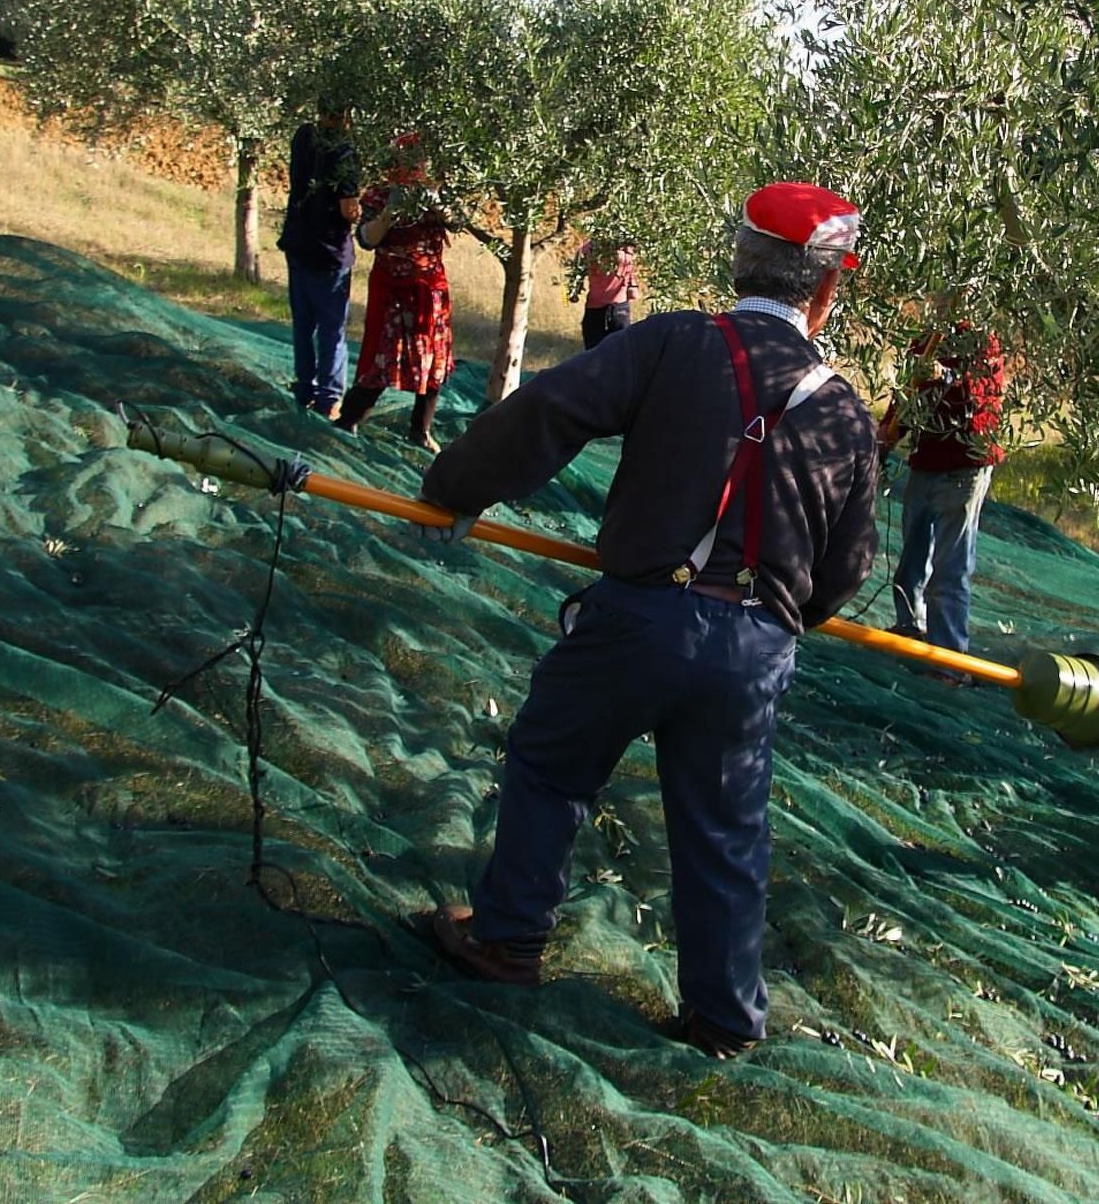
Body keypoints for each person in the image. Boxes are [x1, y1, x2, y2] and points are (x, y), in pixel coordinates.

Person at [413, 182, 879, 1060]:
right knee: (726, 828)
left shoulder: (672, 342)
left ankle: (508, 937)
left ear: (738, 264)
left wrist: (452, 489)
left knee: (552, 766)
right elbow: (848, 568)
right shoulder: (847, 413)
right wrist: (781, 619)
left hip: (637, 620)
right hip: (753, 649)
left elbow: (549, 413)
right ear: (826, 291)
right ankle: (723, 1020)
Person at [878, 316, 1006, 658]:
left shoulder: (981, 341)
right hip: (926, 461)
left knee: (950, 567)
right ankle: (910, 627)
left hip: (964, 466)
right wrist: (887, 434)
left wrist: (944, 377)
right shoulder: (927, 337)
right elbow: (907, 396)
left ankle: (948, 658)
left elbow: (980, 395)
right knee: (912, 558)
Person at [335, 133, 454, 451]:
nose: (416, 168)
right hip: (394, 291)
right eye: (410, 162)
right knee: (383, 359)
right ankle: (348, 421)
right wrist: (390, 213)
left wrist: (437, 205)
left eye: (420, 162)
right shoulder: (378, 196)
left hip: (430, 289)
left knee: (435, 361)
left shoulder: (436, 194)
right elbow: (367, 238)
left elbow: (458, 222)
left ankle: (420, 430)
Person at [277, 98, 362, 419]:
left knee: (303, 323)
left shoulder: (303, 136)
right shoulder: (344, 152)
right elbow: (347, 209)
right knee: (331, 329)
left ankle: (304, 389)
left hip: (298, 240)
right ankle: (329, 401)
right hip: (328, 250)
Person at [570, 236, 641, 349]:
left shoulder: (588, 249)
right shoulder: (626, 250)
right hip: (619, 309)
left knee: (592, 355)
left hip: (594, 308)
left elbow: (575, 278)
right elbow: (630, 273)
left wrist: (573, 292)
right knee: (620, 356)